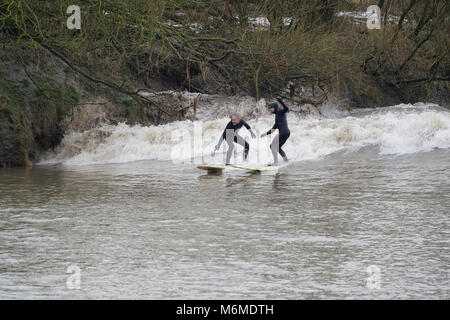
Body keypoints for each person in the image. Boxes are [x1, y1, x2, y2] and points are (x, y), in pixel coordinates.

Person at [260, 97, 290, 166]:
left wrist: (281, 102)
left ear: (275, 107)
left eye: (271, 108)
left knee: (272, 146)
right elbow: (273, 129)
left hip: (283, 132)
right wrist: (265, 134)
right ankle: (286, 160)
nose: (270, 110)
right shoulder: (277, 117)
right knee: (278, 147)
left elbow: (286, 109)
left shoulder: (280, 112)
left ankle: (276, 162)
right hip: (287, 133)